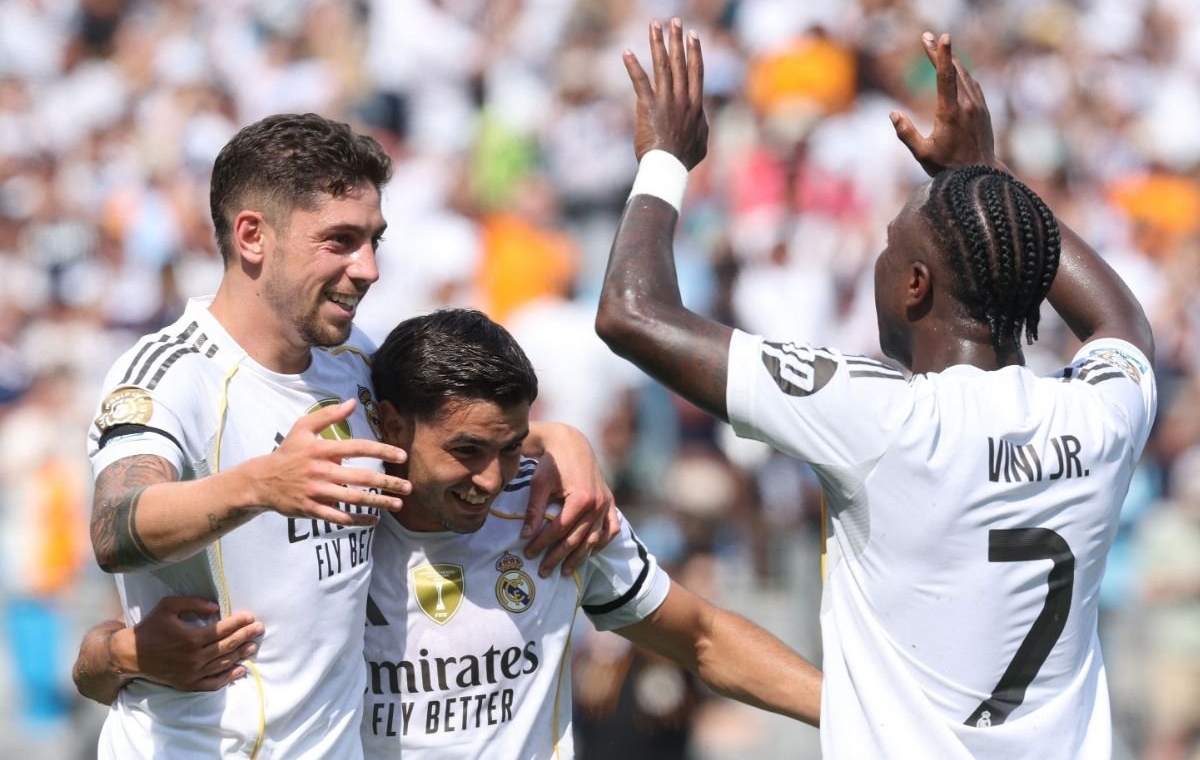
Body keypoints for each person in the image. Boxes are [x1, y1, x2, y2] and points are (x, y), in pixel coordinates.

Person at [595, 20, 1156, 759]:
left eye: (891, 248)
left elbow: (632, 314)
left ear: (916, 285)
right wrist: (987, 182)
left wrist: (665, 157)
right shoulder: (1103, 415)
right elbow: (1122, 321)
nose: (879, 263)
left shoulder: (883, 418)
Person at [84, 112, 617, 759]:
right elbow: (115, 525)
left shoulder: (357, 362)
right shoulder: (172, 375)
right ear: (252, 235)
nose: (368, 269)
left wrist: (560, 441)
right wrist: (262, 483)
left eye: (374, 241)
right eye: (339, 241)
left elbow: (455, 436)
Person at [75, 308, 823, 758]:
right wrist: (125, 651)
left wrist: (858, 712)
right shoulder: (320, 525)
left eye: (512, 444)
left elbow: (701, 637)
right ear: (391, 423)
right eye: (467, 450)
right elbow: (100, 662)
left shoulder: (553, 512)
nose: (494, 476)